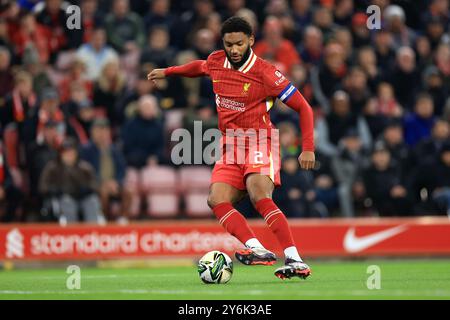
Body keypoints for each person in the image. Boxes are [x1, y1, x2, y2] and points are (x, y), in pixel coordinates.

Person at [148, 17, 315, 280]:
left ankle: (294, 259)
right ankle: (256, 249)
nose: (234, 50)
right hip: (230, 145)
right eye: (229, 44)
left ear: (250, 40)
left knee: (259, 193)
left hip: (260, 140)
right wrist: (169, 71)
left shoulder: (265, 72)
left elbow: (303, 107)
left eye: (239, 43)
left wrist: (307, 148)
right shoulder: (217, 61)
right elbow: (199, 67)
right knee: (216, 199)